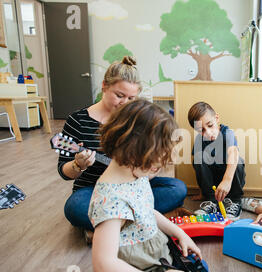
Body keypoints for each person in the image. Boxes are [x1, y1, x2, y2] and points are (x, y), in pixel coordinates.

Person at [57, 56, 188, 243]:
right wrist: (78, 165)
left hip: (133, 187)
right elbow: (63, 171)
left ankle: (109, 225)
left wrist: (147, 172)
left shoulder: (135, 119)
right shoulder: (77, 120)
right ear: (104, 86)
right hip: (94, 191)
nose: (124, 103)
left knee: (177, 188)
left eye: (131, 98)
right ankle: (134, 221)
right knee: (74, 207)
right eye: (119, 95)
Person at [88, 99, 206, 272]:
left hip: (154, 261)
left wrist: (180, 233)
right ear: (135, 151)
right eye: (156, 161)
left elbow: (147, 212)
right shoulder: (111, 200)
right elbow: (103, 264)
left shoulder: (135, 174)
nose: (158, 168)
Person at [188, 101, 246, 220]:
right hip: (213, 185)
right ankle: (211, 201)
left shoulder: (228, 133)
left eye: (210, 125)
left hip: (230, 181)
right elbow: (198, 166)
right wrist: (202, 192)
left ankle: (234, 201)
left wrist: (227, 180)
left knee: (238, 160)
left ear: (216, 118)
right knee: (198, 158)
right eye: (201, 130)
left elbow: (233, 152)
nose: (208, 133)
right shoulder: (200, 140)